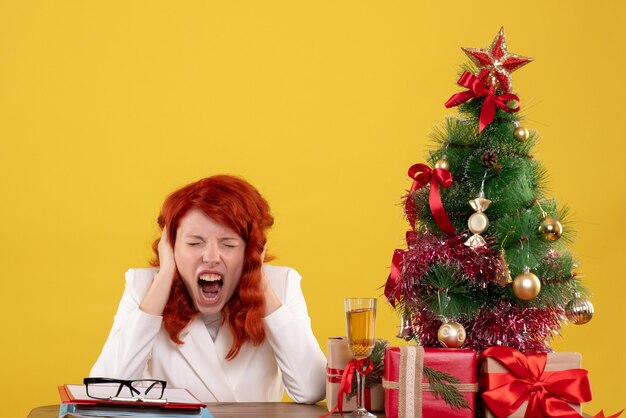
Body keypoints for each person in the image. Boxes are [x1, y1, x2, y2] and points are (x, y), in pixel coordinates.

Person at [90, 175, 326, 403]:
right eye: (194, 243)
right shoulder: (143, 288)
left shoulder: (281, 285)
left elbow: (312, 389)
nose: (211, 257)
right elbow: (105, 390)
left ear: (251, 250)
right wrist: (164, 277)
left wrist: (258, 279)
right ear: (170, 247)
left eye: (229, 244)